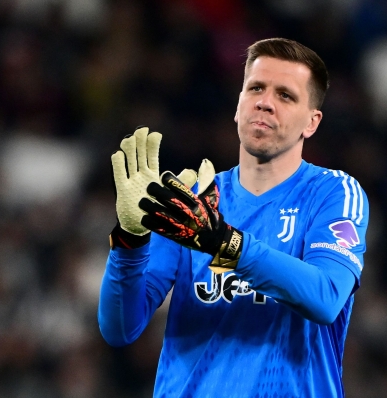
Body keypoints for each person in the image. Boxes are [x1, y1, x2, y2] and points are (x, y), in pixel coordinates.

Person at [98, 38, 369, 397]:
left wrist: (225, 244)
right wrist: (130, 241)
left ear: (312, 122)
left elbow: (326, 297)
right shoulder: (192, 203)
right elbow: (119, 328)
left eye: (285, 95)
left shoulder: (333, 193)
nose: (265, 102)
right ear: (238, 106)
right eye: (255, 88)